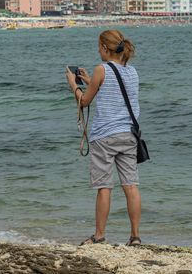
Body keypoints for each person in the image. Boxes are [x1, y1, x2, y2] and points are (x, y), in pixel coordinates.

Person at [65, 30, 142, 247]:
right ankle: (135, 236)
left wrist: (74, 84)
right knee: (131, 186)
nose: (98, 50)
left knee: (104, 187)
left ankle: (99, 236)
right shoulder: (132, 72)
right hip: (128, 134)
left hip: (105, 137)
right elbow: (115, 92)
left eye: (99, 47)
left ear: (105, 48)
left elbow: (85, 101)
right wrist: (91, 81)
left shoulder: (101, 69)